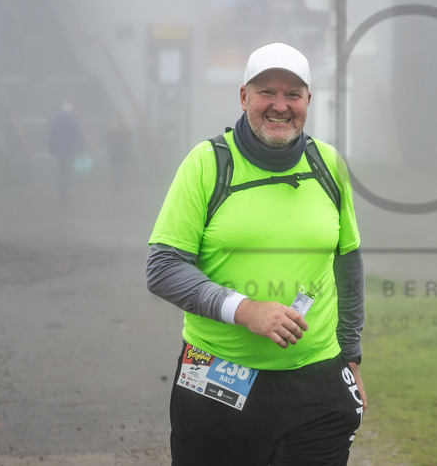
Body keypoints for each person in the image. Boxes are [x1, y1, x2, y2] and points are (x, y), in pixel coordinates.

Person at [146, 42, 366, 465]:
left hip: (317, 379)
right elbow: (163, 267)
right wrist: (244, 309)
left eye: (293, 94)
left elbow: (348, 263)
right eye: (267, 91)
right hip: (217, 374)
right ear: (244, 96)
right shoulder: (207, 164)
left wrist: (351, 355)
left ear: (307, 102)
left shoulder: (329, 165)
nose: (280, 106)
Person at [48, 101, 85, 202]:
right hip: (70, 149)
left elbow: (52, 134)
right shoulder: (74, 120)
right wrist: (81, 148)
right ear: (71, 109)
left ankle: (61, 188)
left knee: (61, 168)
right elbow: (78, 135)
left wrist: (51, 148)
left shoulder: (56, 119)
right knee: (69, 169)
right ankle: (66, 188)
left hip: (60, 149)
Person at [105, 111, 132, 197]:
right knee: (121, 168)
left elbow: (108, 139)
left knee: (116, 168)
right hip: (122, 151)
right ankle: (119, 183)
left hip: (114, 151)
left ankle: (117, 183)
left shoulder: (111, 128)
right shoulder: (126, 128)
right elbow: (129, 138)